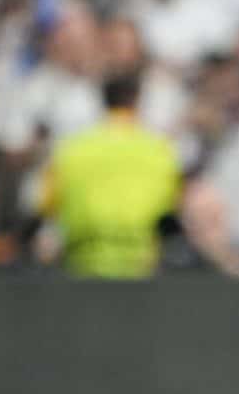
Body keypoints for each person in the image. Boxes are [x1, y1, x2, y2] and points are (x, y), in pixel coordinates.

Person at [41, 72, 182, 278]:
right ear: (136, 100)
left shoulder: (72, 149)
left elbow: (47, 205)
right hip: (139, 265)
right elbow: (171, 209)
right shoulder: (159, 150)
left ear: (103, 100)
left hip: (82, 263)